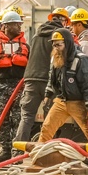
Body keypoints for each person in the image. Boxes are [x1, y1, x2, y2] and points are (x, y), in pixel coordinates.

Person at [37, 29, 88, 174]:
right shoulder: (56, 58)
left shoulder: (81, 60)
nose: (56, 48)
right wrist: (47, 95)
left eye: (59, 45)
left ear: (67, 43)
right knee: (47, 128)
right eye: (54, 45)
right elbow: (52, 79)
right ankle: (39, 158)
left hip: (78, 102)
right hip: (61, 101)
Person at [13, 9, 66, 144]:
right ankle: (46, 152)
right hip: (48, 81)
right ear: (64, 21)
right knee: (50, 118)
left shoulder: (37, 34)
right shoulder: (59, 36)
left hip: (31, 78)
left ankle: (17, 152)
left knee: (27, 116)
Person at [0, 10, 28, 162]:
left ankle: (17, 152)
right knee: (1, 119)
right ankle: (5, 150)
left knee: (17, 119)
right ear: (6, 26)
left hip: (18, 86)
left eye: (20, 24)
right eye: (16, 24)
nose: (19, 26)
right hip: (0, 86)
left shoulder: (25, 46)